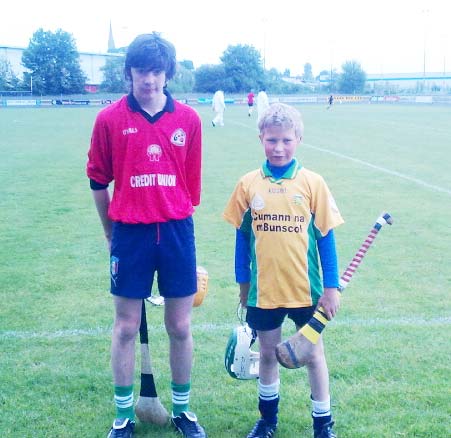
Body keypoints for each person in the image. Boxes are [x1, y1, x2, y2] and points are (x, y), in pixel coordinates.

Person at [86, 32, 207, 438]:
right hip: (130, 235)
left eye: (156, 71)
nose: (149, 80)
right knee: (124, 326)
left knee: (179, 326)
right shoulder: (109, 119)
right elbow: (98, 182)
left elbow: (189, 191)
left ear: (168, 73)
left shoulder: (188, 120)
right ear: (129, 72)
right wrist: (110, 233)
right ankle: (123, 415)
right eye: (141, 71)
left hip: (175, 234)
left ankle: (184, 411)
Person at [223, 103, 344, 438]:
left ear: (299, 139)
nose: (279, 148)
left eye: (286, 140)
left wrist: (331, 287)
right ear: (261, 138)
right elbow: (241, 239)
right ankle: (267, 420)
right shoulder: (248, 184)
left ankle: (323, 425)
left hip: (307, 291)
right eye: (272, 140)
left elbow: (326, 238)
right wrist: (243, 284)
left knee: (314, 355)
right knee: (266, 354)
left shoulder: (312, 183)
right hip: (264, 291)